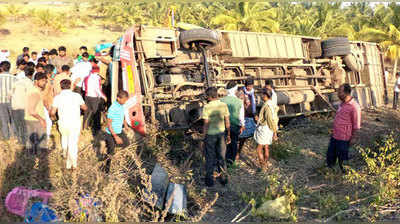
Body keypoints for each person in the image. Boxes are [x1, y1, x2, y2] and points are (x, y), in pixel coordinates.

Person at [51, 79, 87, 171]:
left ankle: (65, 154)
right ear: (70, 86)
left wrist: (54, 118)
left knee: (64, 137)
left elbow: (53, 112)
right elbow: (84, 107)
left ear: (61, 86)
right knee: (73, 143)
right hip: (74, 122)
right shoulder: (77, 96)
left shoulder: (57, 97)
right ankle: (73, 164)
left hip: (63, 122)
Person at [327, 84, 361, 173]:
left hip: (344, 137)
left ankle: (345, 175)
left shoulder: (354, 106)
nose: (338, 94)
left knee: (343, 158)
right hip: (335, 135)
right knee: (330, 155)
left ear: (346, 93)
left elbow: (356, 124)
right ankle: (330, 172)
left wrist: (354, 138)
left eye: (340, 92)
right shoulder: (342, 104)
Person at [202, 87, 230, 187]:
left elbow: (206, 123)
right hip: (221, 134)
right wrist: (229, 134)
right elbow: (227, 122)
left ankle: (210, 181)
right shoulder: (223, 105)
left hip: (210, 135)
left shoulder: (206, 107)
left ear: (209, 96)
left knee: (210, 157)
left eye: (207, 96)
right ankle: (223, 179)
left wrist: (203, 136)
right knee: (222, 157)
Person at [98, 90, 130, 173]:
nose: (125, 102)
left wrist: (125, 125)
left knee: (126, 143)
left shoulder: (121, 105)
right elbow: (108, 124)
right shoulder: (113, 108)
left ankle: (109, 147)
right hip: (111, 133)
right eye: (124, 100)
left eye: (126, 100)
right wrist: (115, 137)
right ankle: (106, 169)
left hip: (119, 131)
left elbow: (122, 116)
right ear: (118, 98)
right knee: (111, 151)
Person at [220, 81, 245, 165]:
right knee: (234, 142)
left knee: (223, 143)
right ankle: (231, 161)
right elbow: (241, 116)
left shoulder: (221, 100)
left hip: (222, 125)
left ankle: (223, 160)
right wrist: (242, 125)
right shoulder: (239, 101)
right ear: (235, 90)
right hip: (234, 125)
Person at [254, 89, 278, 169]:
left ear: (265, 95)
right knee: (266, 147)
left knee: (259, 149)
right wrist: (274, 131)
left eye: (262, 95)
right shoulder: (272, 104)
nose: (261, 96)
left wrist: (275, 132)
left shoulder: (267, 106)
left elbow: (270, 119)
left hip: (265, 129)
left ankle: (263, 166)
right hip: (269, 129)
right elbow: (274, 118)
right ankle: (266, 163)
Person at [25, 72, 48, 154]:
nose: (44, 83)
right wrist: (41, 119)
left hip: (32, 119)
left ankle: (31, 161)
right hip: (35, 121)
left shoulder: (34, 90)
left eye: (45, 81)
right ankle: (40, 162)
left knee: (32, 145)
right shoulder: (34, 92)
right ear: (36, 81)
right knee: (41, 145)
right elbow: (31, 110)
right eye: (42, 81)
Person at [11, 67, 34, 145]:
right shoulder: (30, 83)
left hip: (14, 105)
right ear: (31, 75)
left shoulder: (17, 81)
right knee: (24, 124)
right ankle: (24, 142)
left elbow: (10, 93)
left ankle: (19, 139)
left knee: (17, 124)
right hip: (24, 106)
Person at [82, 64, 107, 134]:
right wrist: (103, 96)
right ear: (98, 70)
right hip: (94, 97)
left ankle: (84, 127)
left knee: (87, 112)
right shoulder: (97, 77)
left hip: (87, 96)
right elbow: (97, 89)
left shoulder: (86, 77)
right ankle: (97, 130)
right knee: (96, 113)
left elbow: (84, 88)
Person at [0, 61, 17, 141]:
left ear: (1, 68)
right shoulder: (14, 78)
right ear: (9, 68)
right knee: (13, 120)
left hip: (1, 102)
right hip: (12, 101)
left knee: (4, 121)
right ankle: (14, 137)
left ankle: (6, 138)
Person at [42, 64, 56, 141]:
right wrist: (47, 106)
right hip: (46, 104)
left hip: (46, 103)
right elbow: (45, 95)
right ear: (50, 72)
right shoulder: (47, 82)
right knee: (48, 123)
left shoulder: (45, 80)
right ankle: (45, 140)